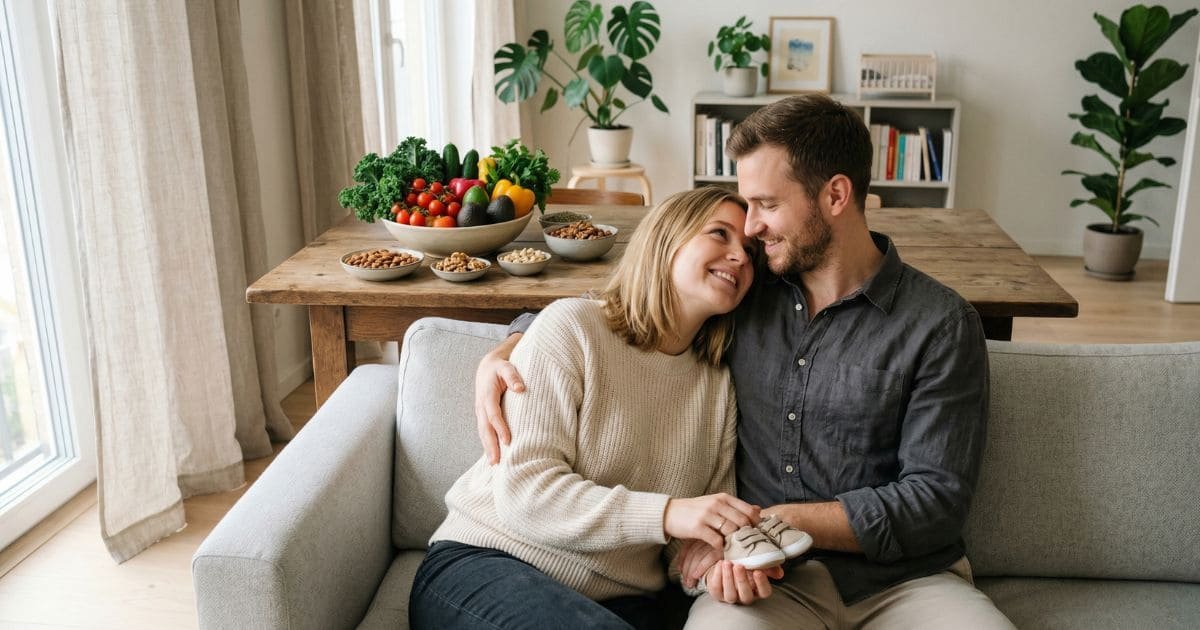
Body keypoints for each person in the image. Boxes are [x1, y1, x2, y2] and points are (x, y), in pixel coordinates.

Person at [474, 94, 1016, 629]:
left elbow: (936, 501)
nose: (751, 228)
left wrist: (776, 522)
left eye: (767, 204)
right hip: (766, 584)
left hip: (907, 583)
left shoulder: (940, 324)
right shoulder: (745, 296)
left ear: (835, 195)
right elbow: (632, 306)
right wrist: (514, 343)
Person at [409, 187, 768, 630]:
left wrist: (710, 566)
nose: (740, 257)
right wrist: (668, 512)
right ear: (665, 240)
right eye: (720, 234)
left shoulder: (716, 386)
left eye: (751, 250)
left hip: (621, 600)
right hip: (492, 563)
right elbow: (527, 494)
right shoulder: (572, 327)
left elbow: (686, 539)